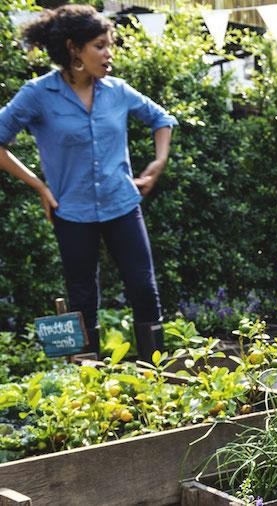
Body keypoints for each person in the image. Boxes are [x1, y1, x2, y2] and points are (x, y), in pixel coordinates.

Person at [0, 5, 177, 362]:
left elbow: (162, 118)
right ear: (74, 49)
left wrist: (158, 162)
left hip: (122, 204)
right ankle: (90, 388)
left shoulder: (118, 91)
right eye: (100, 45)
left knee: (144, 289)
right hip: (72, 211)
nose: (109, 53)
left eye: (110, 44)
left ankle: (159, 381)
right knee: (82, 299)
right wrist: (39, 186)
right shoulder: (38, 94)